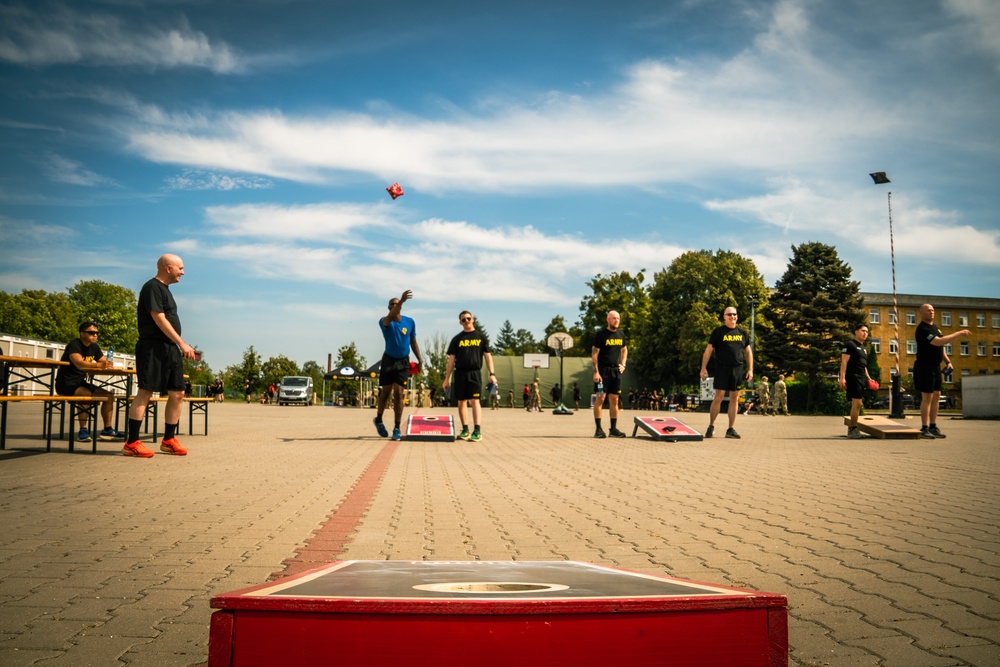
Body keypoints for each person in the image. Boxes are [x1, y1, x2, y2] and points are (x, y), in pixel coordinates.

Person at [123, 254, 197, 458]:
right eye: (180, 268)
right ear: (167, 268)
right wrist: (181, 342)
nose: (183, 272)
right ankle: (131, 443)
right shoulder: (152, 287)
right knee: (145, 392)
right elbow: (158, 317)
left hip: (169, 348)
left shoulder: (166, 291)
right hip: (152, 347)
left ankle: (168, 440)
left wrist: (177, 344)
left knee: (178, 393)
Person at [55, 321, 124, 441]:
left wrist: (103, 364)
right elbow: (79, 363)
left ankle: (107, 430)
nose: (95, 335)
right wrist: (99, 365)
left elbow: (104, 362)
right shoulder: (74, 345)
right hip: (66, 383)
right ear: (82, 333)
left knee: (109, 396)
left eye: (97, 333)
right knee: (85, 394)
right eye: (91, 333)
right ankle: (83, 430)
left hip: (81, 383)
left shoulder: (94, 347)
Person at [914, 303, 970, 439]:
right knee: (927, 396)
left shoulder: (935, 328)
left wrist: (948, 361)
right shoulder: (923, 329)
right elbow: (938, 342)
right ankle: (924, 427)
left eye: (933, 310)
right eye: (928, 310)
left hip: (936, 366)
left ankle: (933, 426)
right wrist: (959, 333)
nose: (931, 312)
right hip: (925, 366)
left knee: (937, 395)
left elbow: (941, 347)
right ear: (921, 313)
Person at [373, 290, 423, 441]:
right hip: (389, 360)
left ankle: (396, 428)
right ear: (389, 308)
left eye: (397, 303)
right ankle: (379, 419)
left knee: (399, 394)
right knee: (386, 393)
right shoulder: (385, 321)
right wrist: (401, 301)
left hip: (403, 361)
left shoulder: (410, 322)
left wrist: (420, 360)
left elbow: (413, 342)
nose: (395, 305)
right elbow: (393, 313)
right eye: (392, 304)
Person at [700, 307, 753, 439]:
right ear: (724, 317)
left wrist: (750, 369)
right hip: (722, 368)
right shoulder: (718, 332)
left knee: (735, 398)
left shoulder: (742, 333)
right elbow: (708, 350)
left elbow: (748, 352)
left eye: (735, 314)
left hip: (737, 369)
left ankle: (731, 429)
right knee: (719, 397)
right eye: (729, 314)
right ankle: (711, 426)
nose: (732, 316)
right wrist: (703, 368)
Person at [443, 310, 495, 441]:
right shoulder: (456, 339)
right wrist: (446, 379)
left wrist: (492, 374)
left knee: (474, 400)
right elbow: (451, 361)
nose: (466, 321)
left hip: (474, 373)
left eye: (468, 318)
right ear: (460, 323)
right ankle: (465, 429)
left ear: (473, 319)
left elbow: (488, 356)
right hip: (460, 373)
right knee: (461, 401)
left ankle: (477, 431)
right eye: (463, 320)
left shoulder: (481, 337)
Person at [592, 310, 628, 438]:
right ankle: (598, 430)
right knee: (600, 398)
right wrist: (596, 372)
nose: (616, 320)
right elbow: (595, 354)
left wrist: (623, 364)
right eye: (613, 318)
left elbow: (624, 350)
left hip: (616, 372)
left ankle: (613, 429)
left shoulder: (621, 335)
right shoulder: (601, 335)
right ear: (608, 319)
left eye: (618, 318)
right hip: (603, 372)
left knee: (615, 399)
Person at [839, 324, 876, 439]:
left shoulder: (864, 349)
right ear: (856, 332)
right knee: (857, 403)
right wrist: (842, 378)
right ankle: (852, 429)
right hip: (853, 376)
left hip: (861, 377)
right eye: (862, 331)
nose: (865, 333)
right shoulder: (850, 345)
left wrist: (869, 378)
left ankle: (853, 429)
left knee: (858, 403)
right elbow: (844, 362)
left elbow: (864, 366)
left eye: (867, 332)